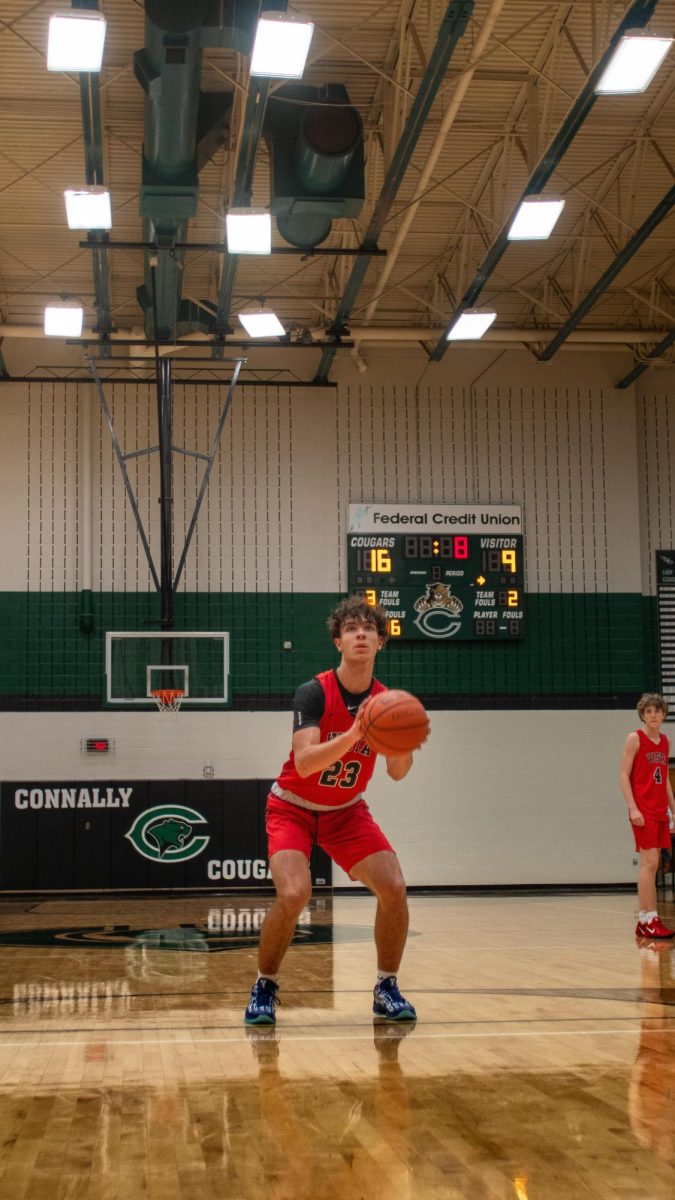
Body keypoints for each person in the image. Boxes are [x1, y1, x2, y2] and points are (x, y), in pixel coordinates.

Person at [244, 596, 425, 1026]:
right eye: (351, 628)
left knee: (394, 887)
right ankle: (265, 985)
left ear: (381, 642)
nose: (360, 634)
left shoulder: (388, 700)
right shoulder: (314, 691)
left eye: (368, 629)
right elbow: (305, 762)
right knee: (294, 894)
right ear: (338, 641)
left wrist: (402, 739)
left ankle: (386, 987)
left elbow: (398, 773)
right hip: (292, 807)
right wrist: (357, 730)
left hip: (346, 810)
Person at [619, 692, 675, 939]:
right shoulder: (635, 738)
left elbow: (664, 781)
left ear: (664, 715)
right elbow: (623, 775)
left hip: (660, 809)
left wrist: (673, 809)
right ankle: (648, 918)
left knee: (654, 865)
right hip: (643, 810)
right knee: (649, 863)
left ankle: (646, 921)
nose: (653, 715)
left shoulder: (665, 741)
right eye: (648, 711)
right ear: (642, 715)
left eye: (657, 711)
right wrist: (633, 807)